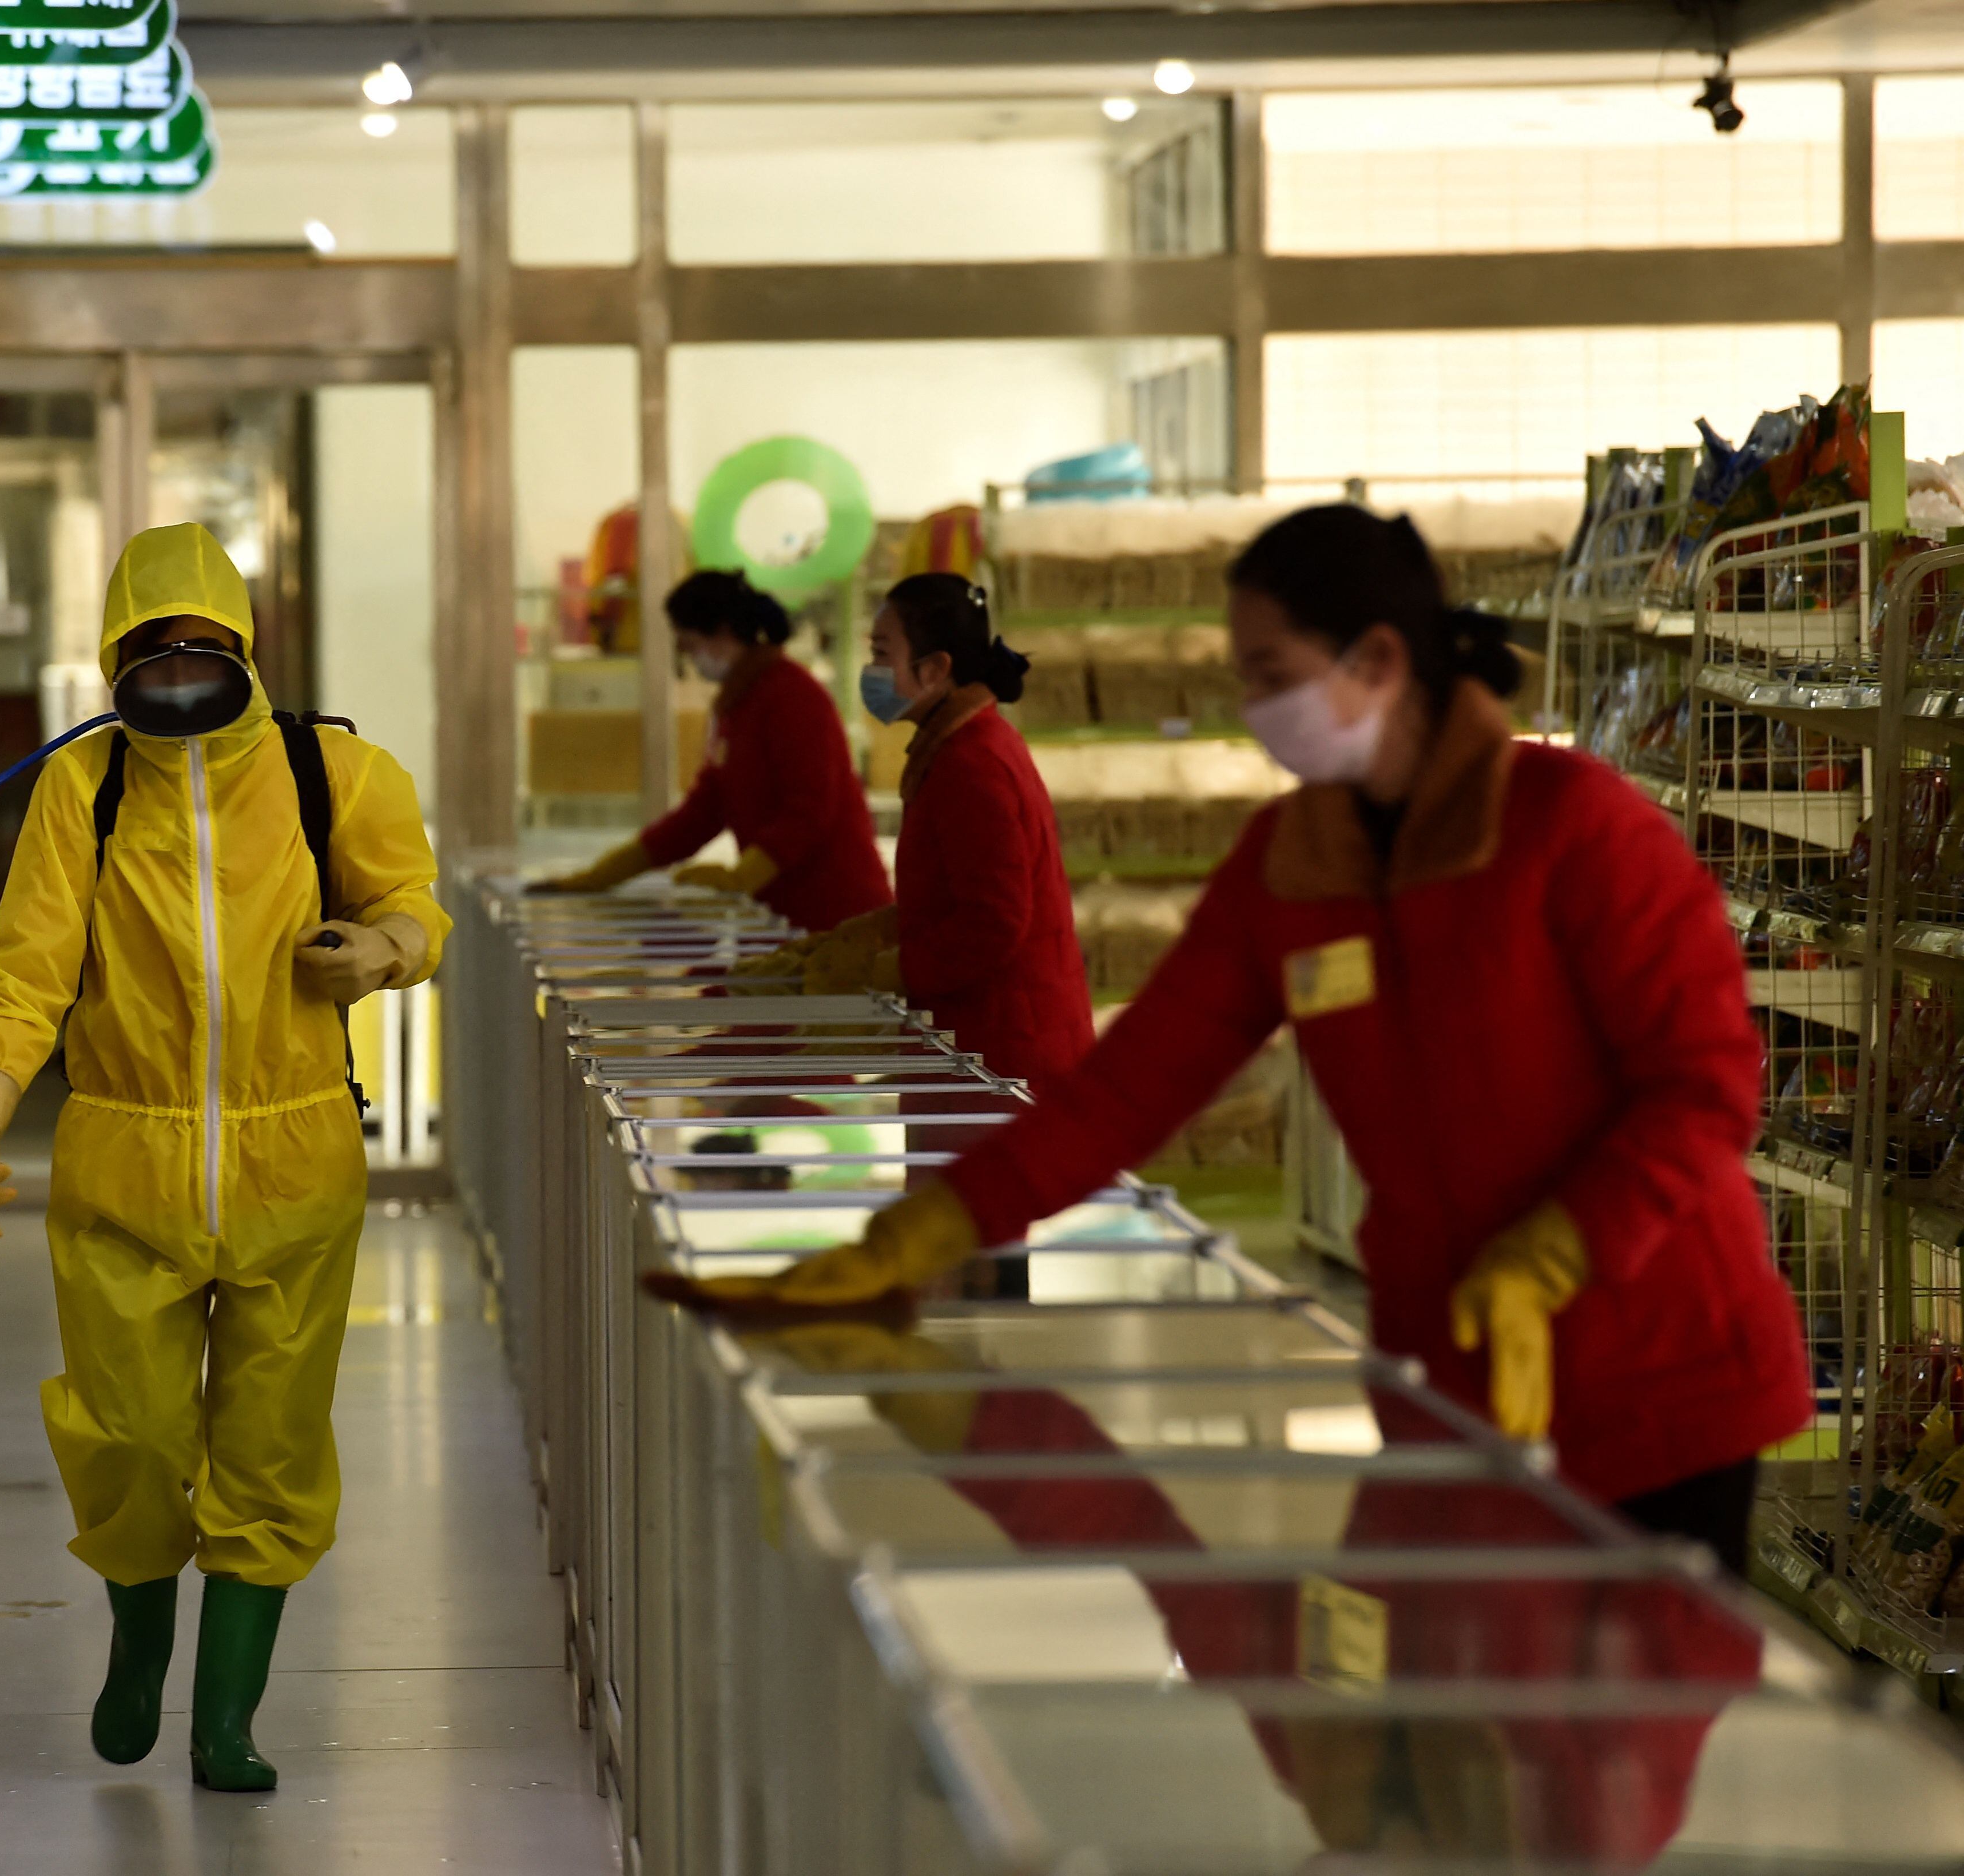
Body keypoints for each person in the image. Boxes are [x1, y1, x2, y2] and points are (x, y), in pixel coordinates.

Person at [659, 504, 1811, 1574]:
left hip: (1660, 1381)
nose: (1253, 707)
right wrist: (917, 1231)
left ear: (1375, 663)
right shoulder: (1291, 869)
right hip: (1448, 1380)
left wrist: (1551, 1254)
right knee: (1397, 1748)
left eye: (1270, 676)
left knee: (1594, 1764)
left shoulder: (1578, 829)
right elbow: (1124, 1090)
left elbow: (1704, 1087)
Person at [0, 522, 449, 1793]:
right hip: (124, 1155)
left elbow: (416, 903)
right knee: (127, 1431)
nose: (177, 676)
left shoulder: (331, 771)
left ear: (246, 648)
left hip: (298, 1160)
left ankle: (227, 1720)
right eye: (152, 656)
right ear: (116, 657)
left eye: (202, 652)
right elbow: (27, 966)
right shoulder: (88, 787)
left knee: (272, 1446)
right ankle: (134, 1650)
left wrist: (376, 953)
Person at [770, 573, 1092, 1092]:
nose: (871, 671)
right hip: (979, 1043)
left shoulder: (974, 763)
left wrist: (887, 970)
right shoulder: (957, 747)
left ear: (936, 668)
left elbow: (993, 923)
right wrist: (857, 941)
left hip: (1005, 1057)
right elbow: (954, 898)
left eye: (881, 653)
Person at [534, 569, 890, 933]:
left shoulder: (792, 696)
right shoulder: (737, 704)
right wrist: (602, 876)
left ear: (723, 633)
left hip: (839, 912)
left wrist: (744, 875)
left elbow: (810, 809)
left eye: (689, 646)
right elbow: (705, 811)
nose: (689, 660)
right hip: (781, 912)